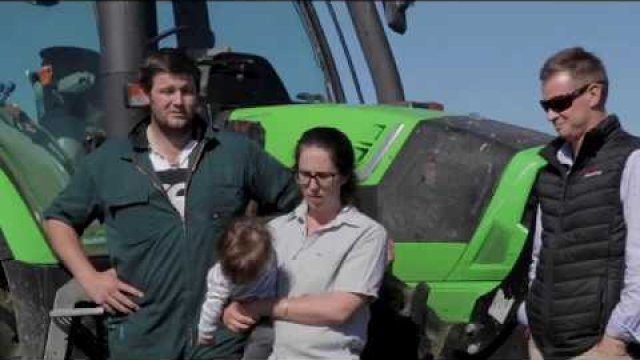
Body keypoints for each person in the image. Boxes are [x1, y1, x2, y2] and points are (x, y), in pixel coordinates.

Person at [43, 48, 299, 360]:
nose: (178, 101)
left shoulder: (236, 153)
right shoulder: (108, 162)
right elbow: (58, 219)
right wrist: (90, 278)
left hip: (220, 334)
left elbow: (300, 207)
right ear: (146, 94)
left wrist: (264, 277)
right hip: (143, 335)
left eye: (186, 91)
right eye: (167, 91)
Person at [223, 126, 389, 360]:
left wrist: (263, 307)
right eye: (304, 174)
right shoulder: (276, 230)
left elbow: (339, 309)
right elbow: (249, 291)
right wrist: (235, 309)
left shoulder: (366, 234)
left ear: (343, 176)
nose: (311, 186)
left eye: (322, 176)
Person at [523, 47, 640, 359]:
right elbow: (539, 255)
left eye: (559, 103)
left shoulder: (632, 159)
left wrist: (616, 338)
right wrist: (531, 324)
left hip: (601, 347)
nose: (551, 114)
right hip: (545, 346)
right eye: (545, 105)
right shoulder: (548, 169)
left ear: (594, 93)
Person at [197, 216, 276, 358]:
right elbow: (211, 306)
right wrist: (206, 334)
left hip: (267, 313)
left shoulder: (269, 259)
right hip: (238, 312)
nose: (241, 280)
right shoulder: (220, 276)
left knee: (264, 338)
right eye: (236, 277)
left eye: (248, 276)